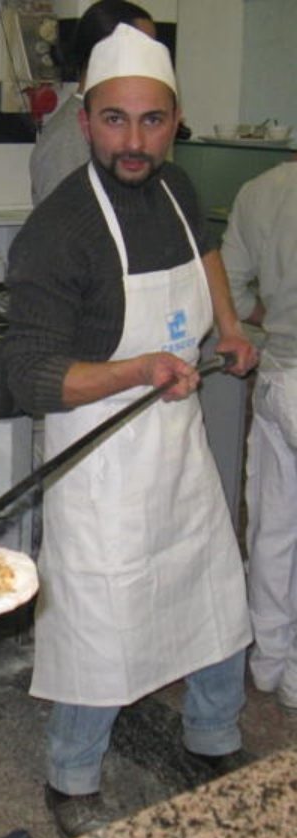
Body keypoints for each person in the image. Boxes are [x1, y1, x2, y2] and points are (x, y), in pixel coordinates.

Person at [4, 24, 259, 838]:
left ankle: (213, 733)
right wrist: (140, 369)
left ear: (176, 119)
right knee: (100, 616)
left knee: (213, 584)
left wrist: (227, 324)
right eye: (115, 120)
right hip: (101, 458)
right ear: (85, 120)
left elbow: (208, 250)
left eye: (152, 121)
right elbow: (33, 378)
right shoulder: (58, 231)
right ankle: (74, 772)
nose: (134, 141)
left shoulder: (180, 189)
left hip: (175, 443)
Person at [221, 156, 297, 713]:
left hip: (278, 381)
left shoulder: (262, 189)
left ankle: (269, 663)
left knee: (274, 523)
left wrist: (266, 314)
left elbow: (225, 280)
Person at [29, 0, 156, 207]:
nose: (153, 63)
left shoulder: (121, 127)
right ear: (106, 53)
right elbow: (69, 229)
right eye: (145, 52)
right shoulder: (68, 138)